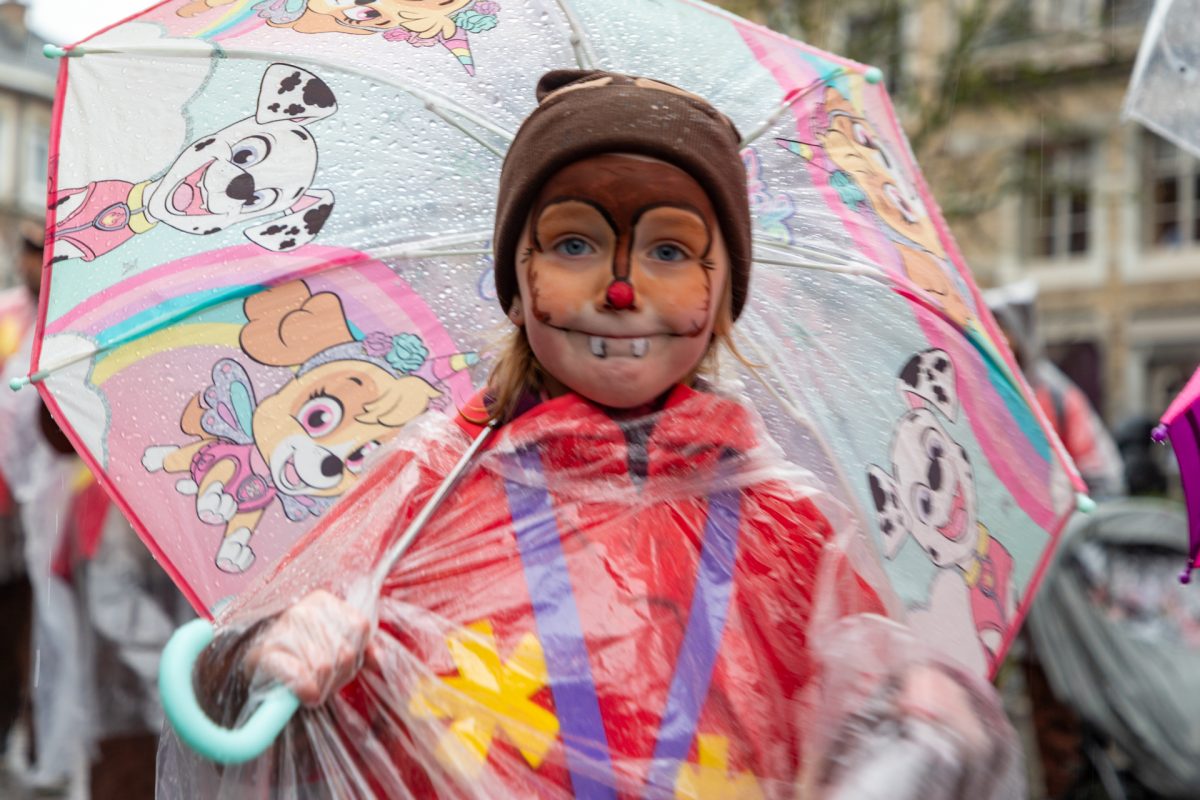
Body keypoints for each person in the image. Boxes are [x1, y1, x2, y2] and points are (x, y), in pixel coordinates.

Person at [171, 70, 1020, 799]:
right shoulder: (431, 488)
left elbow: (851, 734)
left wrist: (922, 727)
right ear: (517, 277)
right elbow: (225, 705)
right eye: (576, 243)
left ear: (723, 293)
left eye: (669, 251)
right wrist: (261, 658)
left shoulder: (789, 532)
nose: (621, 290)